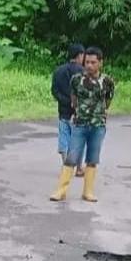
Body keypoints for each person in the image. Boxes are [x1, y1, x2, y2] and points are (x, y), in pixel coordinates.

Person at [49, 47, 115, 203]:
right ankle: (61, 190)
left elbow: (108, 101)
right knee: (71, 157)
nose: (89, 66)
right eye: (87, 62)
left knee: (92, 158)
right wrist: (80, 110)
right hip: (79, 124)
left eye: (93, 62)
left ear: (100, 63)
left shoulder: (107, 82)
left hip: (98, 125)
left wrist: (101, 112)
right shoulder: (76, 80)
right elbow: (74, 98)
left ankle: (88, 191)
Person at [51, 44, 86, 176]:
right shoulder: (83, 72)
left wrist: (65, 101)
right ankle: (78, 167)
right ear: (79, 55)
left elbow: (54, 91)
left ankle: (66, 165)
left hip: (63, 111)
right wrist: (75, 103)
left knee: (64, 137)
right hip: (78, 112)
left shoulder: (58, 71)